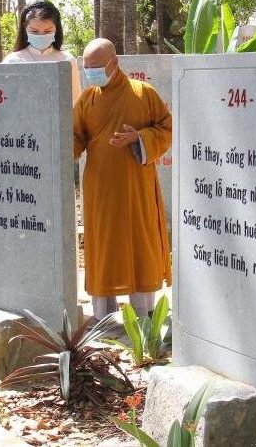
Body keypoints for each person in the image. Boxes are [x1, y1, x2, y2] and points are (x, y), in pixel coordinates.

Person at [73, 38, 172, 319]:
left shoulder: (144, 93)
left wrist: (139, 138)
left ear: (113, 63)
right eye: (86, 67)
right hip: (100, 188)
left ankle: (145, 315)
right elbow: (74, 135)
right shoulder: (87, 98)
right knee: (103, 245)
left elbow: (166, 128)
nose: (90, 73)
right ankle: (104, 315)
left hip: (135, 186)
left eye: (95, 67)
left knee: (139, 243)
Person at [3, 0, 81, 102]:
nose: (41, 35)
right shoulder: (12, 61)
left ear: (57, 29)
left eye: (48, 31)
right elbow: (5, 100)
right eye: (34, 31)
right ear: (25, 29)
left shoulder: (67, 60)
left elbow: (76, 100)